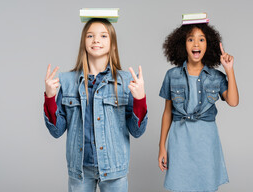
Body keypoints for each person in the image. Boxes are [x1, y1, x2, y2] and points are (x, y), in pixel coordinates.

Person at [43, 18, 148, 192]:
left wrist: (140, 99)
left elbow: (137, 131)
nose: (96, 40)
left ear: (113, 44)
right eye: (90, 36)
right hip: (80, 170)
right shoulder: (67, 81)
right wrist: (49, 98)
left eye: (103, 36)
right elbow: (56, 131)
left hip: (114, 168)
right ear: (83, 42)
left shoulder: (127, 81)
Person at [158, 22, 239, 192]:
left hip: (206, 141)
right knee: (181, 185)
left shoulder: (215, 76)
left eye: (201, 39)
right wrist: (162, 147)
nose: (196, 44)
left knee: (206, 185)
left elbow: (233, 101)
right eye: (190, 39)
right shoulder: (172, 75)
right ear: (182, 44)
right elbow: (167, 113)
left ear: (208, 44)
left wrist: (229, 70)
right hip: (180, 140)